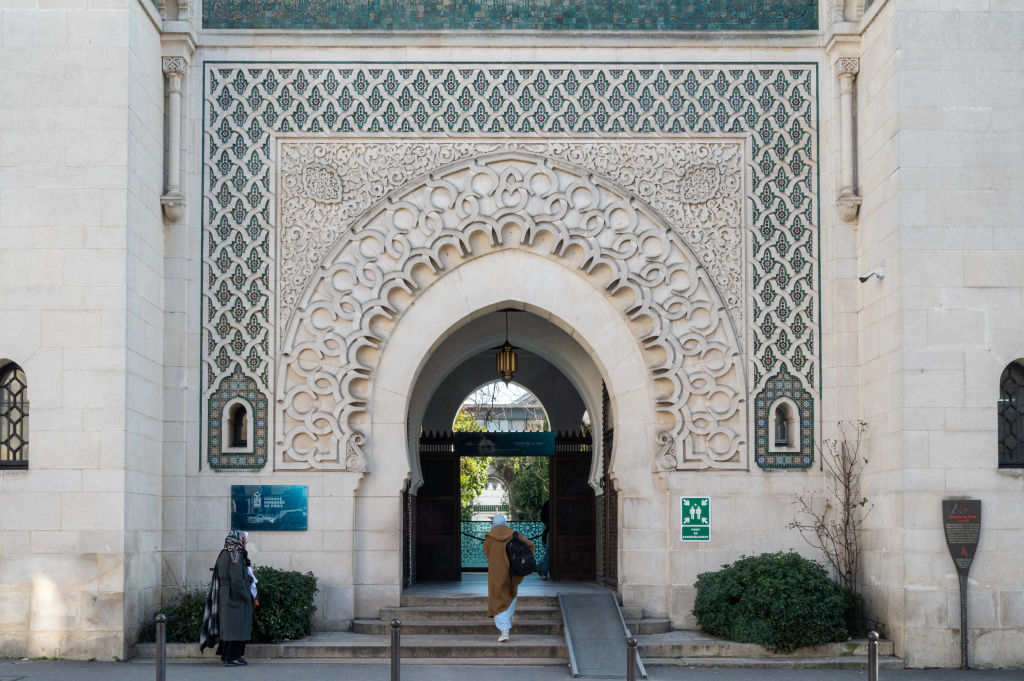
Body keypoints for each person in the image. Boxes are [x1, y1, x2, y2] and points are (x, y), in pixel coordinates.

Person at [483, 514, 534, 643]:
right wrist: (520, 561)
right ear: (504, 522)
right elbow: (530, 546)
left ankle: (504, 630)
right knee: (510, 594)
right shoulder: (513, 534)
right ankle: (508, 619)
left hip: (496, 574)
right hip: (513, 572)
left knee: (497, 600)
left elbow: (487, 553)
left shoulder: (490, 537)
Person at [215, 530, 254, 666]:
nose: (246, 542)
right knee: (236, 627)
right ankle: (232, 657)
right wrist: (245, 595)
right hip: (234, 595)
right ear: (239, 539)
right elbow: (237, 579)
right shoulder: (235, 555)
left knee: (229, 627)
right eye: (245, 539)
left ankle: (229, 656)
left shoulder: (225, 552)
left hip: (226, 594)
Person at [538, 499, 550, 580]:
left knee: (549, 552)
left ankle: (541, 566)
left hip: (550, 529)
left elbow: (542, 517)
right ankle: (543, 572)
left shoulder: (547, 503)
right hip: (551, 530)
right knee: (549, 552)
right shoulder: (549, 503)